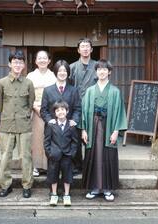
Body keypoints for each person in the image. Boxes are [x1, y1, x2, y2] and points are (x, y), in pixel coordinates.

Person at [79, 59, 127, 202]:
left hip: (109, 126)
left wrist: (116, 131)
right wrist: (84, 130)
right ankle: (94, 188)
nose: (102, 71)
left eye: (105, 69)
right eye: (99, 69)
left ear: (109, 72)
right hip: (92, 127)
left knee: (108, 157)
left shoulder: (115, 91)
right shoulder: (90, 91)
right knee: (93, 156)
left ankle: (107, 189)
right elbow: (84, 111)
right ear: (96, 72)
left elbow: (119, 112)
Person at [0, 50, 35, 198]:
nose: (18, 65)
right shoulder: (1, 83)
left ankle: (27, 185)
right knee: (5, 156)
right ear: (9, 64)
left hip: (24, 125)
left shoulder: (28, 83)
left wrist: (23, 116)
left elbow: (30, 103)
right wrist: (8, 115)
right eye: (15, 62)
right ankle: (5, 185)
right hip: (7, 125)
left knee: (26, 156)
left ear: (24, 65)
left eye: (20, 62)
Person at [69, 37, 98, 174]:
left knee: (91, 137)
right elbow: (69, 87)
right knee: (75, 137)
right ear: (78, 50)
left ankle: (90, 165)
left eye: (88, 46)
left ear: (91, 49)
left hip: (93, 107)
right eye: (83, 46)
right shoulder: (72, 67)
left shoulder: (98, 66)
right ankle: (77, 166)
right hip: (76, 107)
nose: (85, 49)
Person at [27, 50, 56, 177]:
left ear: (49, 61)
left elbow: (56, 94)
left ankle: (48, 165)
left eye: (45, 58)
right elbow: (27, 95)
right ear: (36, 61)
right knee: (36, 138)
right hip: (34, 110)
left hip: (49, 111)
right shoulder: (30, 76)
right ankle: (36, 165)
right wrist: (34, 106)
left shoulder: (53, 76)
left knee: (49, 138)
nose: (42, 60)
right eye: (40, 58)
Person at [43, 100, 79, 206]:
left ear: (67, 111)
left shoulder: (71, 126)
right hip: (54, 155)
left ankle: (66, 195)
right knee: (53, 175)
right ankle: (54, 194)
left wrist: (72, 153)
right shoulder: (51, 125)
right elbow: (46, 141)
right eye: (57, 110)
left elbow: (75, 141)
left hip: (67, 156)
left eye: (62, 110)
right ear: (55, 113)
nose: (60, 112)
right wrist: (49, 153)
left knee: (67, 175)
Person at [41, 60, 81, 131]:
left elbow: (77, 109)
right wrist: (49, 120)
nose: (62, 73)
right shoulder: (47, 90)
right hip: (52, 129)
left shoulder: (74, 91)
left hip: (70, 129)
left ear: (68, 73)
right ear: (55, 72)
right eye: (59, 71)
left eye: (65, 71)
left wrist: (74, 120)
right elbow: (44, 110)